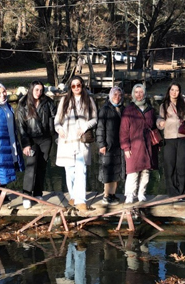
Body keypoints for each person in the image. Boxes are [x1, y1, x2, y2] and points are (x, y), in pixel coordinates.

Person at [55, 76, 98, 211]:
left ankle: (81, 200)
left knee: (81, 170)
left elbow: (95, 119)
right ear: (70, 87)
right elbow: (57, 119)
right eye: (73, 86)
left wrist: (85, 126)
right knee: (70, 171)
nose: (76, 88)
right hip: (67, 140)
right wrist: (59, 129)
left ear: (82, 85)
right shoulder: (64, 100)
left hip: (81, 140)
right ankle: (73, 196)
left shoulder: (89, 100)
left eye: (78, 85)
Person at [17, 81, 57, 209]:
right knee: (31, 166)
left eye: (41, 90)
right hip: (31, 140)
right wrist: (26, 144)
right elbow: (21, 127)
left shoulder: (48, 102)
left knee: (42, 166)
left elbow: (56, 118)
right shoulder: (23, 104)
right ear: (31, 89)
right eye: (36, 90)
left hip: (46, 139)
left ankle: (38, 193)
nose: (38, 93)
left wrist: (56, 135)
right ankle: (26, 195)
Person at [120, 84, 159, 204]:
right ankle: (130, 194)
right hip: (134, 144)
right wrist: (126, 147)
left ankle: (141, 193)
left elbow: (153, 127)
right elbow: (124, 130)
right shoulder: (128, 110)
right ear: (133, 94)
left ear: (145, 94)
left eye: (141, 92)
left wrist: (157, 145)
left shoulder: (150, 109)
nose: (139, 95)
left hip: (148, 144)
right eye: (136, 92)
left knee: (146, 170)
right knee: (132, 171)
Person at [157, 83, 185, 197]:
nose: (174, 92)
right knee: (169, 166)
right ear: (169, 91)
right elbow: (160, 118)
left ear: (179, 92)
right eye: (172, 90)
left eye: (177, 90)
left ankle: (183, 193)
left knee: (182, 166)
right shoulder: (164, 105)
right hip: (169, 139)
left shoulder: (184, 104)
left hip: (182, 138)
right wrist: (160, 123)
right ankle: (172, 193)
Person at [96, 87, 125, 205]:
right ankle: (106, 195)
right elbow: (100, 128)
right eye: (115, 95)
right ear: (110, 95)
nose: (117, 97)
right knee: (107, 170)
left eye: (119, 95)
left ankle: (113, 194)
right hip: (108, 145)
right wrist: (101, 144)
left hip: (119, 145)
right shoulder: (105, 109)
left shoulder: (122, 109)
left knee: (117, 170)